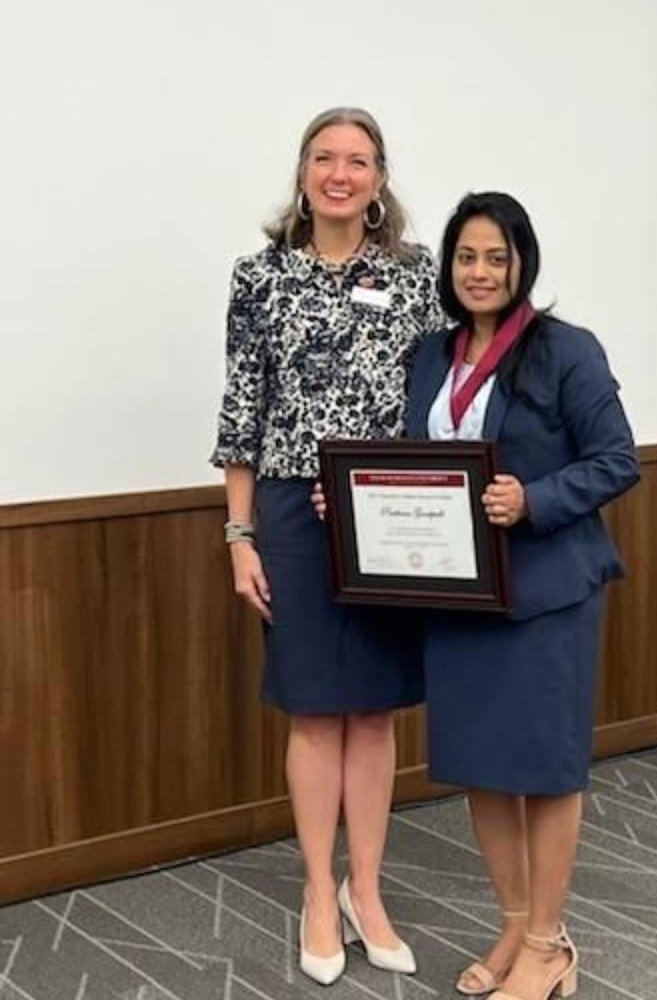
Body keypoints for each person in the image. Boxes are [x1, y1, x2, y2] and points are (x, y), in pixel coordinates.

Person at [315, 191, 639, 1000]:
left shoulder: (568, 350)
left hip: (546, 594)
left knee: (546, 769)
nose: (482, 271)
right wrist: (351, 499)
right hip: (460, 597)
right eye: (467, 256)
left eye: (498, 256)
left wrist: (534, 498)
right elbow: (417, 459)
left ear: (522, 262)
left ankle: (549, 943)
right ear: (449, 268)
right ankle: (514, 922)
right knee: (485, 769)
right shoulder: (433, 354)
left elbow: (616, 460)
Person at [211, 107, 443, 987]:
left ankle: (367, 891)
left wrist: (408, 487)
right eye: (324, 158)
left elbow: (435, 403)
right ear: (302, 172)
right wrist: (240, 535)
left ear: (381, 179)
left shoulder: (418, 278)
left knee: (376, 709)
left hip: (387, 513)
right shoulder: (260, 275)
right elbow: (241, 410)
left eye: (358, 160)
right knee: (315, 708)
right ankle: (317, 892)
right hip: (289, 514)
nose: (339, 173)